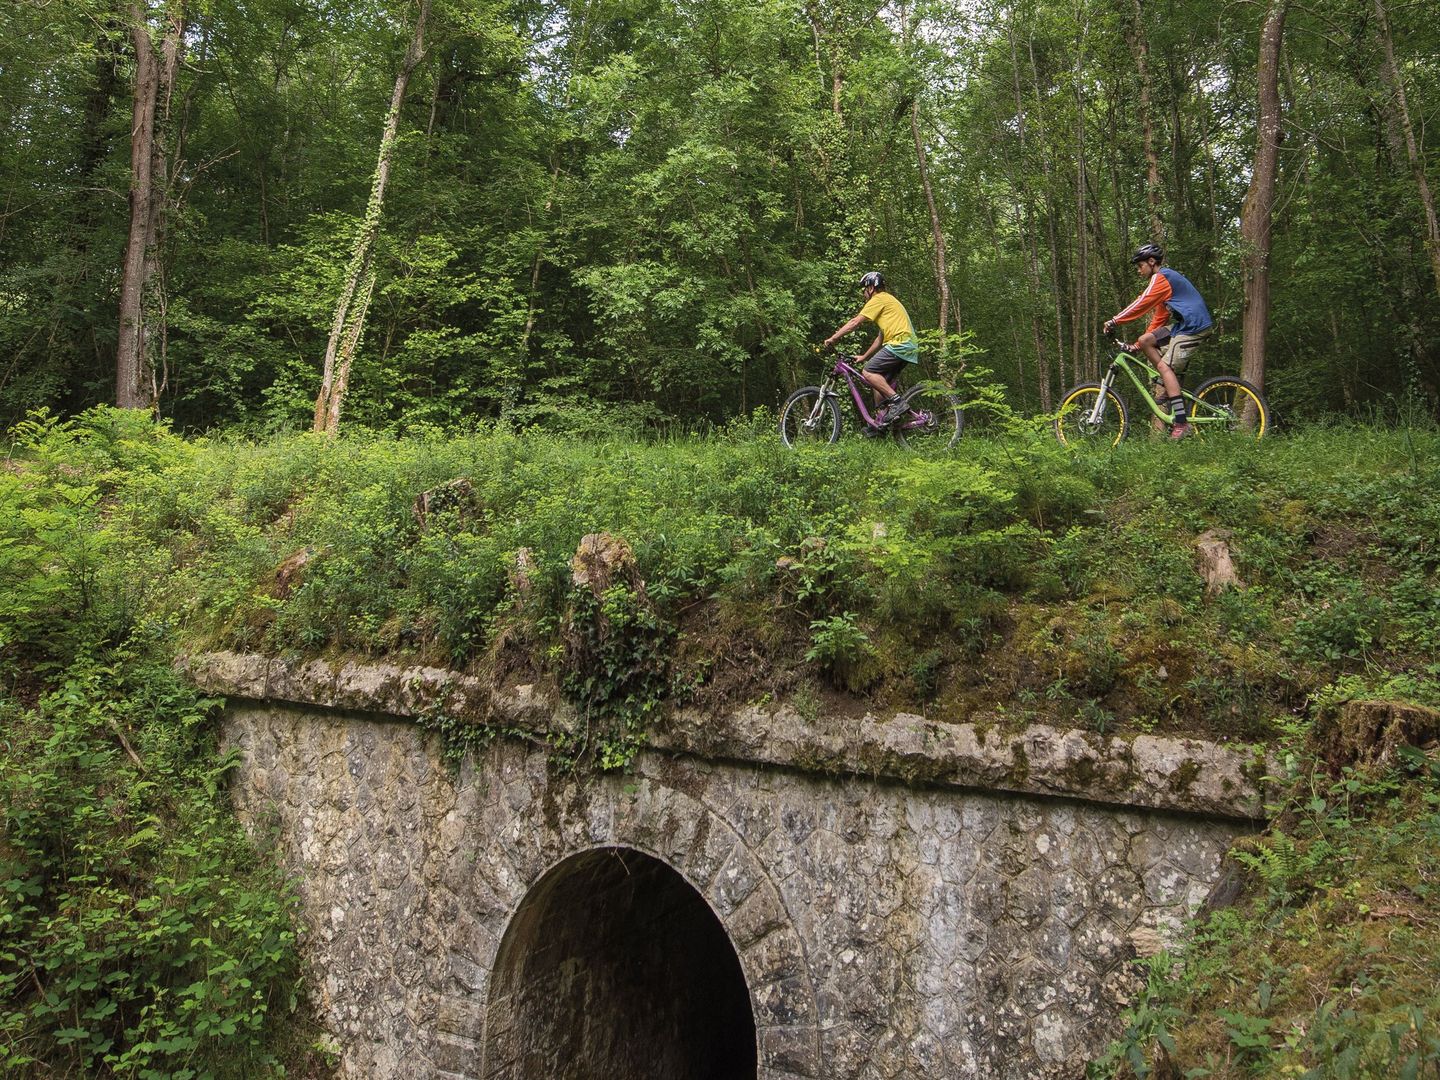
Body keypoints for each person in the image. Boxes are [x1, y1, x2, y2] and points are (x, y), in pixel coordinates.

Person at [1103, 243, 1213, 439]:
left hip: (1195, 326)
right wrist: (1137, 346)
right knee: (1146, 340)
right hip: (1185, 326)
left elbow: (1141, 303)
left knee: (1164, 367)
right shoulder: (1165, 287)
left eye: (1140, 266)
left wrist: (1115, 320)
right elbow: (1159, 319)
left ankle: (1181, 422)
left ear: (1151, 262)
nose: (1139, 271)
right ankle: (1169, 385)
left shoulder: (1162, 277)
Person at [822, 271, 919, 431]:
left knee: (868, 372)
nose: (864, 294)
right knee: (877, 381)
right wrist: (864, 356)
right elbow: (880, 338)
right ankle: (880, 423)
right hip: (907, 346)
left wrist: (833, 338)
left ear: (872, 287)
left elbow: (855, 322)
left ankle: (898, 402)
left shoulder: (878, 299)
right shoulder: (889, 302)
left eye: (864, 290)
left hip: (900, 344)